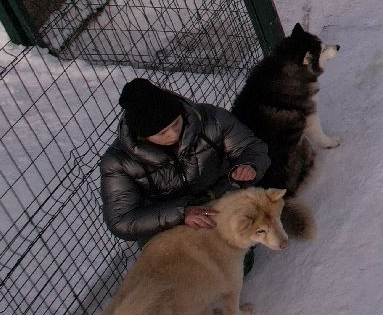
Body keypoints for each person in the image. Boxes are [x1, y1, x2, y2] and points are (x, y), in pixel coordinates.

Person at [99, 78, 270, 243]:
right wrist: (181, 214)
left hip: (221, 196)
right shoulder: (117, 162)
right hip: (169, 222)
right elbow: (121, 220)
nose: (173, 134)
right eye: (162, 133)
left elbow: (252, 147)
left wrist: (248, 165)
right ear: (143, 136)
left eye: (176, 123)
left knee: (238, 250)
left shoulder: (212, 119)